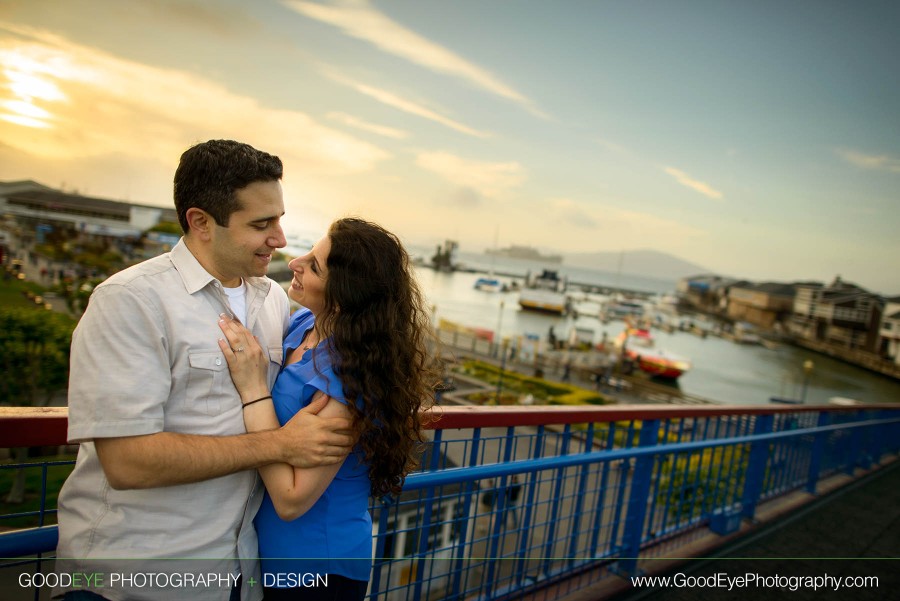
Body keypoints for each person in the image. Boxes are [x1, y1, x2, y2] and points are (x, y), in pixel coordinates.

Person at [54, 140, 355, 601]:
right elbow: (127, 462)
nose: (279, 239)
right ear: (200, 223)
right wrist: (278, 443)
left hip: (235, 574)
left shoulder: (274, 302)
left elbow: (357, 338)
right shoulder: (131, 301)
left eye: (279, 219)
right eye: (261, 224)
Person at [217, 217, 438, 600]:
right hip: (266, 557)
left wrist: (254, 391)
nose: (294, 263)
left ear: (342, 296)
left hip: (317, 566)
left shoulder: (350, 377)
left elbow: (291, 499)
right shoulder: (302, 323)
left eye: (314, 266)